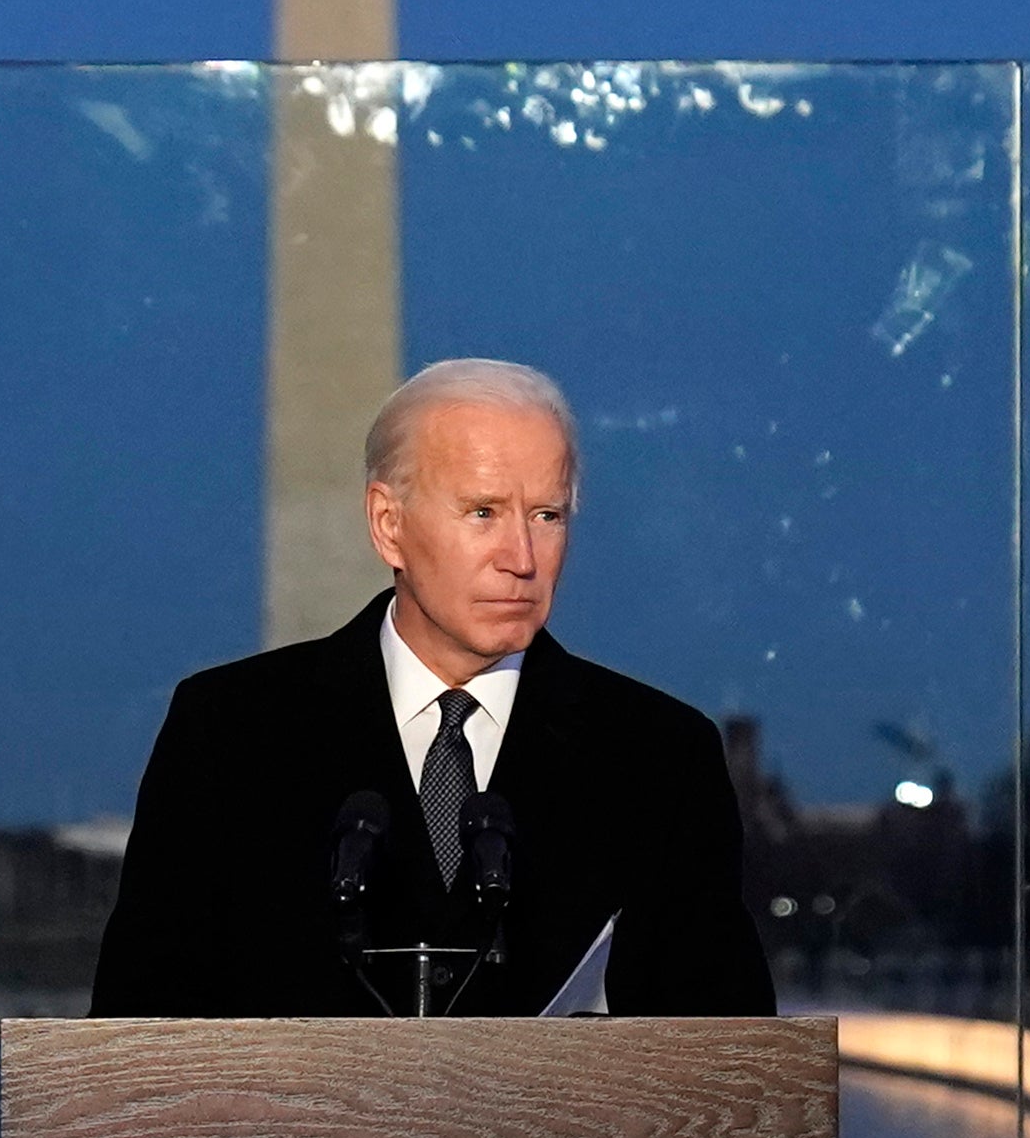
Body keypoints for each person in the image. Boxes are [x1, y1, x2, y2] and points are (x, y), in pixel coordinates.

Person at [91, 358, 774, 1016]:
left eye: (547, 515)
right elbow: (133, 1045)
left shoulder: (660, 757)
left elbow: (734, 1071)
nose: (521, 559)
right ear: (388, 524)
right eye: (483, 512)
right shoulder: (227, 733)